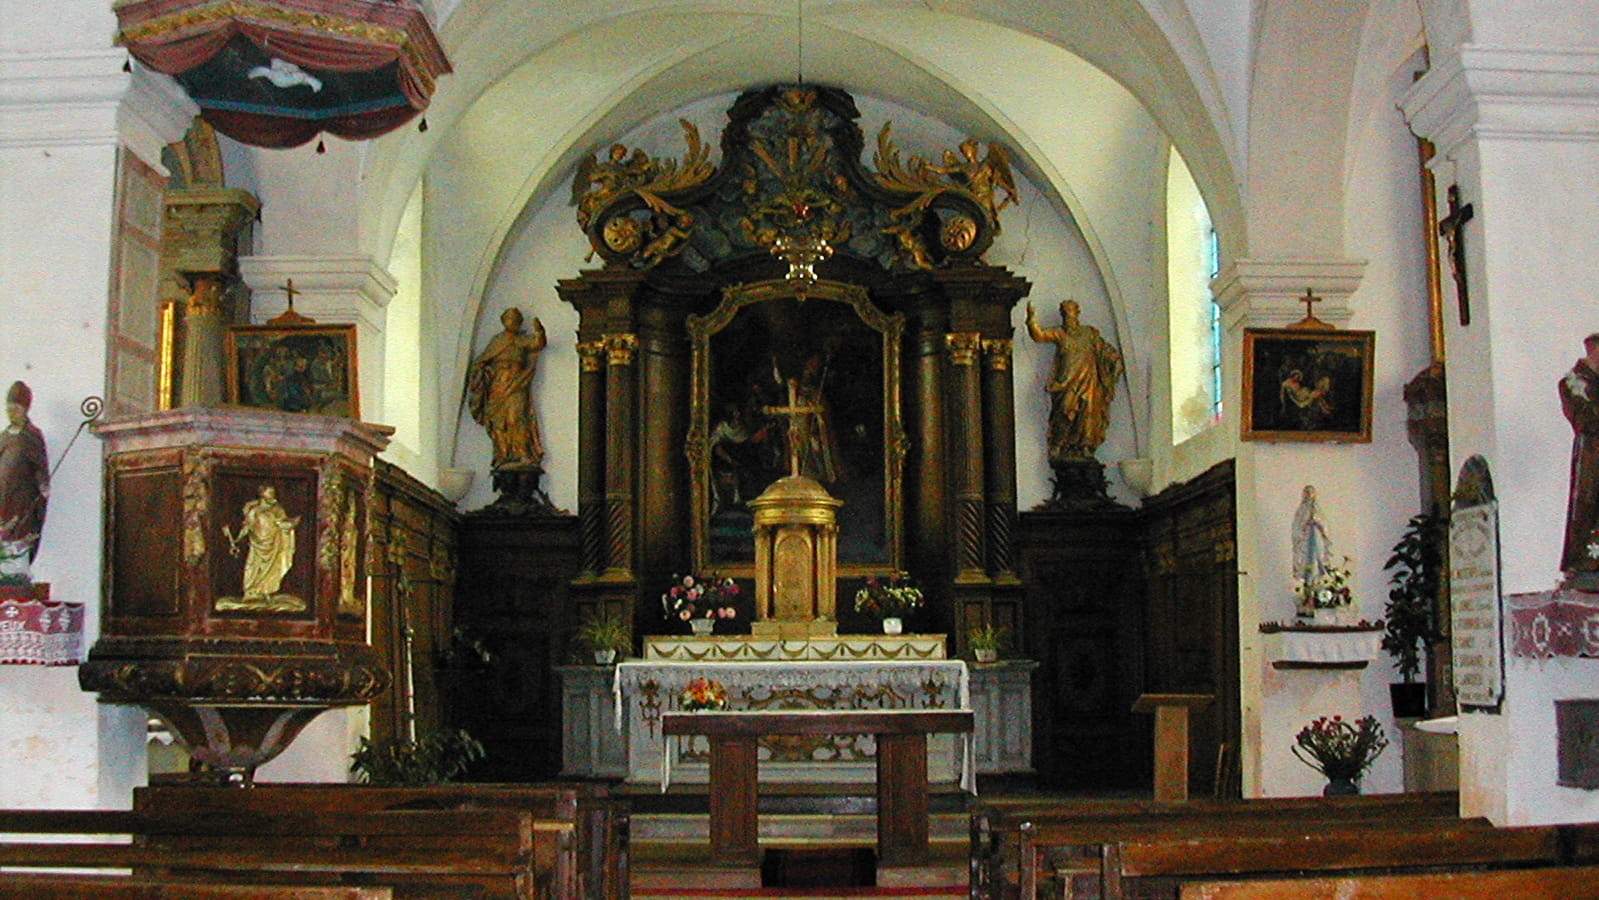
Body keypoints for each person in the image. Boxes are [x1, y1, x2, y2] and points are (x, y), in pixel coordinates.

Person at [1026, 300, 1124, 464]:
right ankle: (1059, 444)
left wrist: (1115, 361)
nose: (1067, 317)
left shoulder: (1089, 334)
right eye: (1064, 313)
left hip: (1088, 381)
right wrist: (1031, 319)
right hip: (1066, 383)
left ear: (1077, 313)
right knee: (1064, 410)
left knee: (1088, 413)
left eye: (1070, 312)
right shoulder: (1060, 333)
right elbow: (1040, 335)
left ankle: (1085, 447)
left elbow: (1105, 350)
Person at [467, 307, 547, 470]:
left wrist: (540, 331)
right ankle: (503, 454)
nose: (513, 323)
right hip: (498, 385)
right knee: (498, 421)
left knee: (516, 417)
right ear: (504, 321)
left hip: (517, 383)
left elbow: (537, 344)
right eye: (510, 319)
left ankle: (522, 453)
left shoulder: (521, 340)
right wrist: (484, 372)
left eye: (516, 320)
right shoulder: (497, 341)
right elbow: (479, 363)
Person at [1559, 333, 1599, 580]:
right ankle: (1586, 560)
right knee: (1590, 503)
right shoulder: (1571, 382)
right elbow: (1585, 419)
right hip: (1593, 454)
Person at [0, 381, 49, 584]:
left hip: (22, 499)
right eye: (9, 409)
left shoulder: (31, 436)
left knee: (19, 533)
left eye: (16, 409)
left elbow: (40, 466)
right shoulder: (3, 436)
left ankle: (16, 574)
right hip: (2, 498)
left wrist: (43, 485)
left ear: (24, 409)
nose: (12, 414)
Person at [228, 485, 299, 601]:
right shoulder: (255, 511)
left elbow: (283, 524)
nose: (272, 495)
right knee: (253, 566)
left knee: (272, 568)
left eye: (273, 492)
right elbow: (247, 527)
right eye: (269, 492)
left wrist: (290, 525)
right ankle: (250, 590)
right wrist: (237, 540)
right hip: (257, 543)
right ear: (262, 494)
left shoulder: (278, 509)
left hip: (274, 543)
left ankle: (265, 591)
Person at [1292, 484, 1334, 587]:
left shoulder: (1317, 509)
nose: (1309, 495)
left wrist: (1316, 521)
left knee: (1316, 560)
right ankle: (1308, 582)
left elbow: (1324, 525)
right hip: (1306, 541)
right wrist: (1305, 525)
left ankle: (1316, 581)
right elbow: (1297, 527)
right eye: (1307, 493)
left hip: (1316, 539)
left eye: (1311, 492)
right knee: (1307, 562)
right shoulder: (1301, 511)